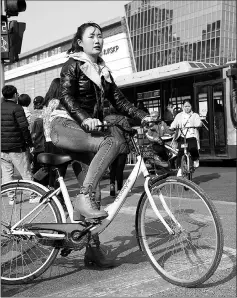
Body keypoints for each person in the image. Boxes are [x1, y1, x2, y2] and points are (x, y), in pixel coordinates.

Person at [49, 22, 150, 268]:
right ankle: (81, 197)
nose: (98, 39)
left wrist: (142, 115)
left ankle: (91, 251)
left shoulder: (102, 70)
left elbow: (118, 99)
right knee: (111, 142)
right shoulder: (73, 64)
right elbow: (66, 97)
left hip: (83, 129)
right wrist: (86, 120)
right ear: (80, 42)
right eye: (91, 36)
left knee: (94, 192)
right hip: (64, 125)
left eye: (100, 36)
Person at [1, 85, 36, 204]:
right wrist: (30, 143)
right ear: (15, 95)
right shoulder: (17, 108)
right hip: (16, 147)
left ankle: (11, 198)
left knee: (6, 173)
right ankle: (31, 196)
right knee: (25, 172)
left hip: (2, 148)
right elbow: (24, 128)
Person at [170, 99, 202, 176]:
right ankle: (179, 169)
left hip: (191, 136)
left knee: (193, 148)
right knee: (180, 153)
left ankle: (195, 159)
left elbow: (199, 122)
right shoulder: (179, 115)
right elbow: (175, 123)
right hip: (182, 136)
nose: (187, 108)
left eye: (188, 106)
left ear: (191, 107)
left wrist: (197, 124)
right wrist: (172, 127)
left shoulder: (195, 115)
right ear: (182, 107)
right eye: (185, 106)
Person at [104, 106, 131, 197]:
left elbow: (103, 132)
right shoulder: (123, 119)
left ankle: (112, 188)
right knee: (120, 169)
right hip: (122, 146)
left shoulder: (105, 120)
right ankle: (119, 189)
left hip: (111, 146)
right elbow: (127, 133)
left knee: (112, 168)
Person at [31, 96, 47, 185]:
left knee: (37, 170)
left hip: (38, 146)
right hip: (47, 145)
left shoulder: (34, 117)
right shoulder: (47, 114)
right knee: (46, 168)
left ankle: (39, 188)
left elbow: (33, 134)